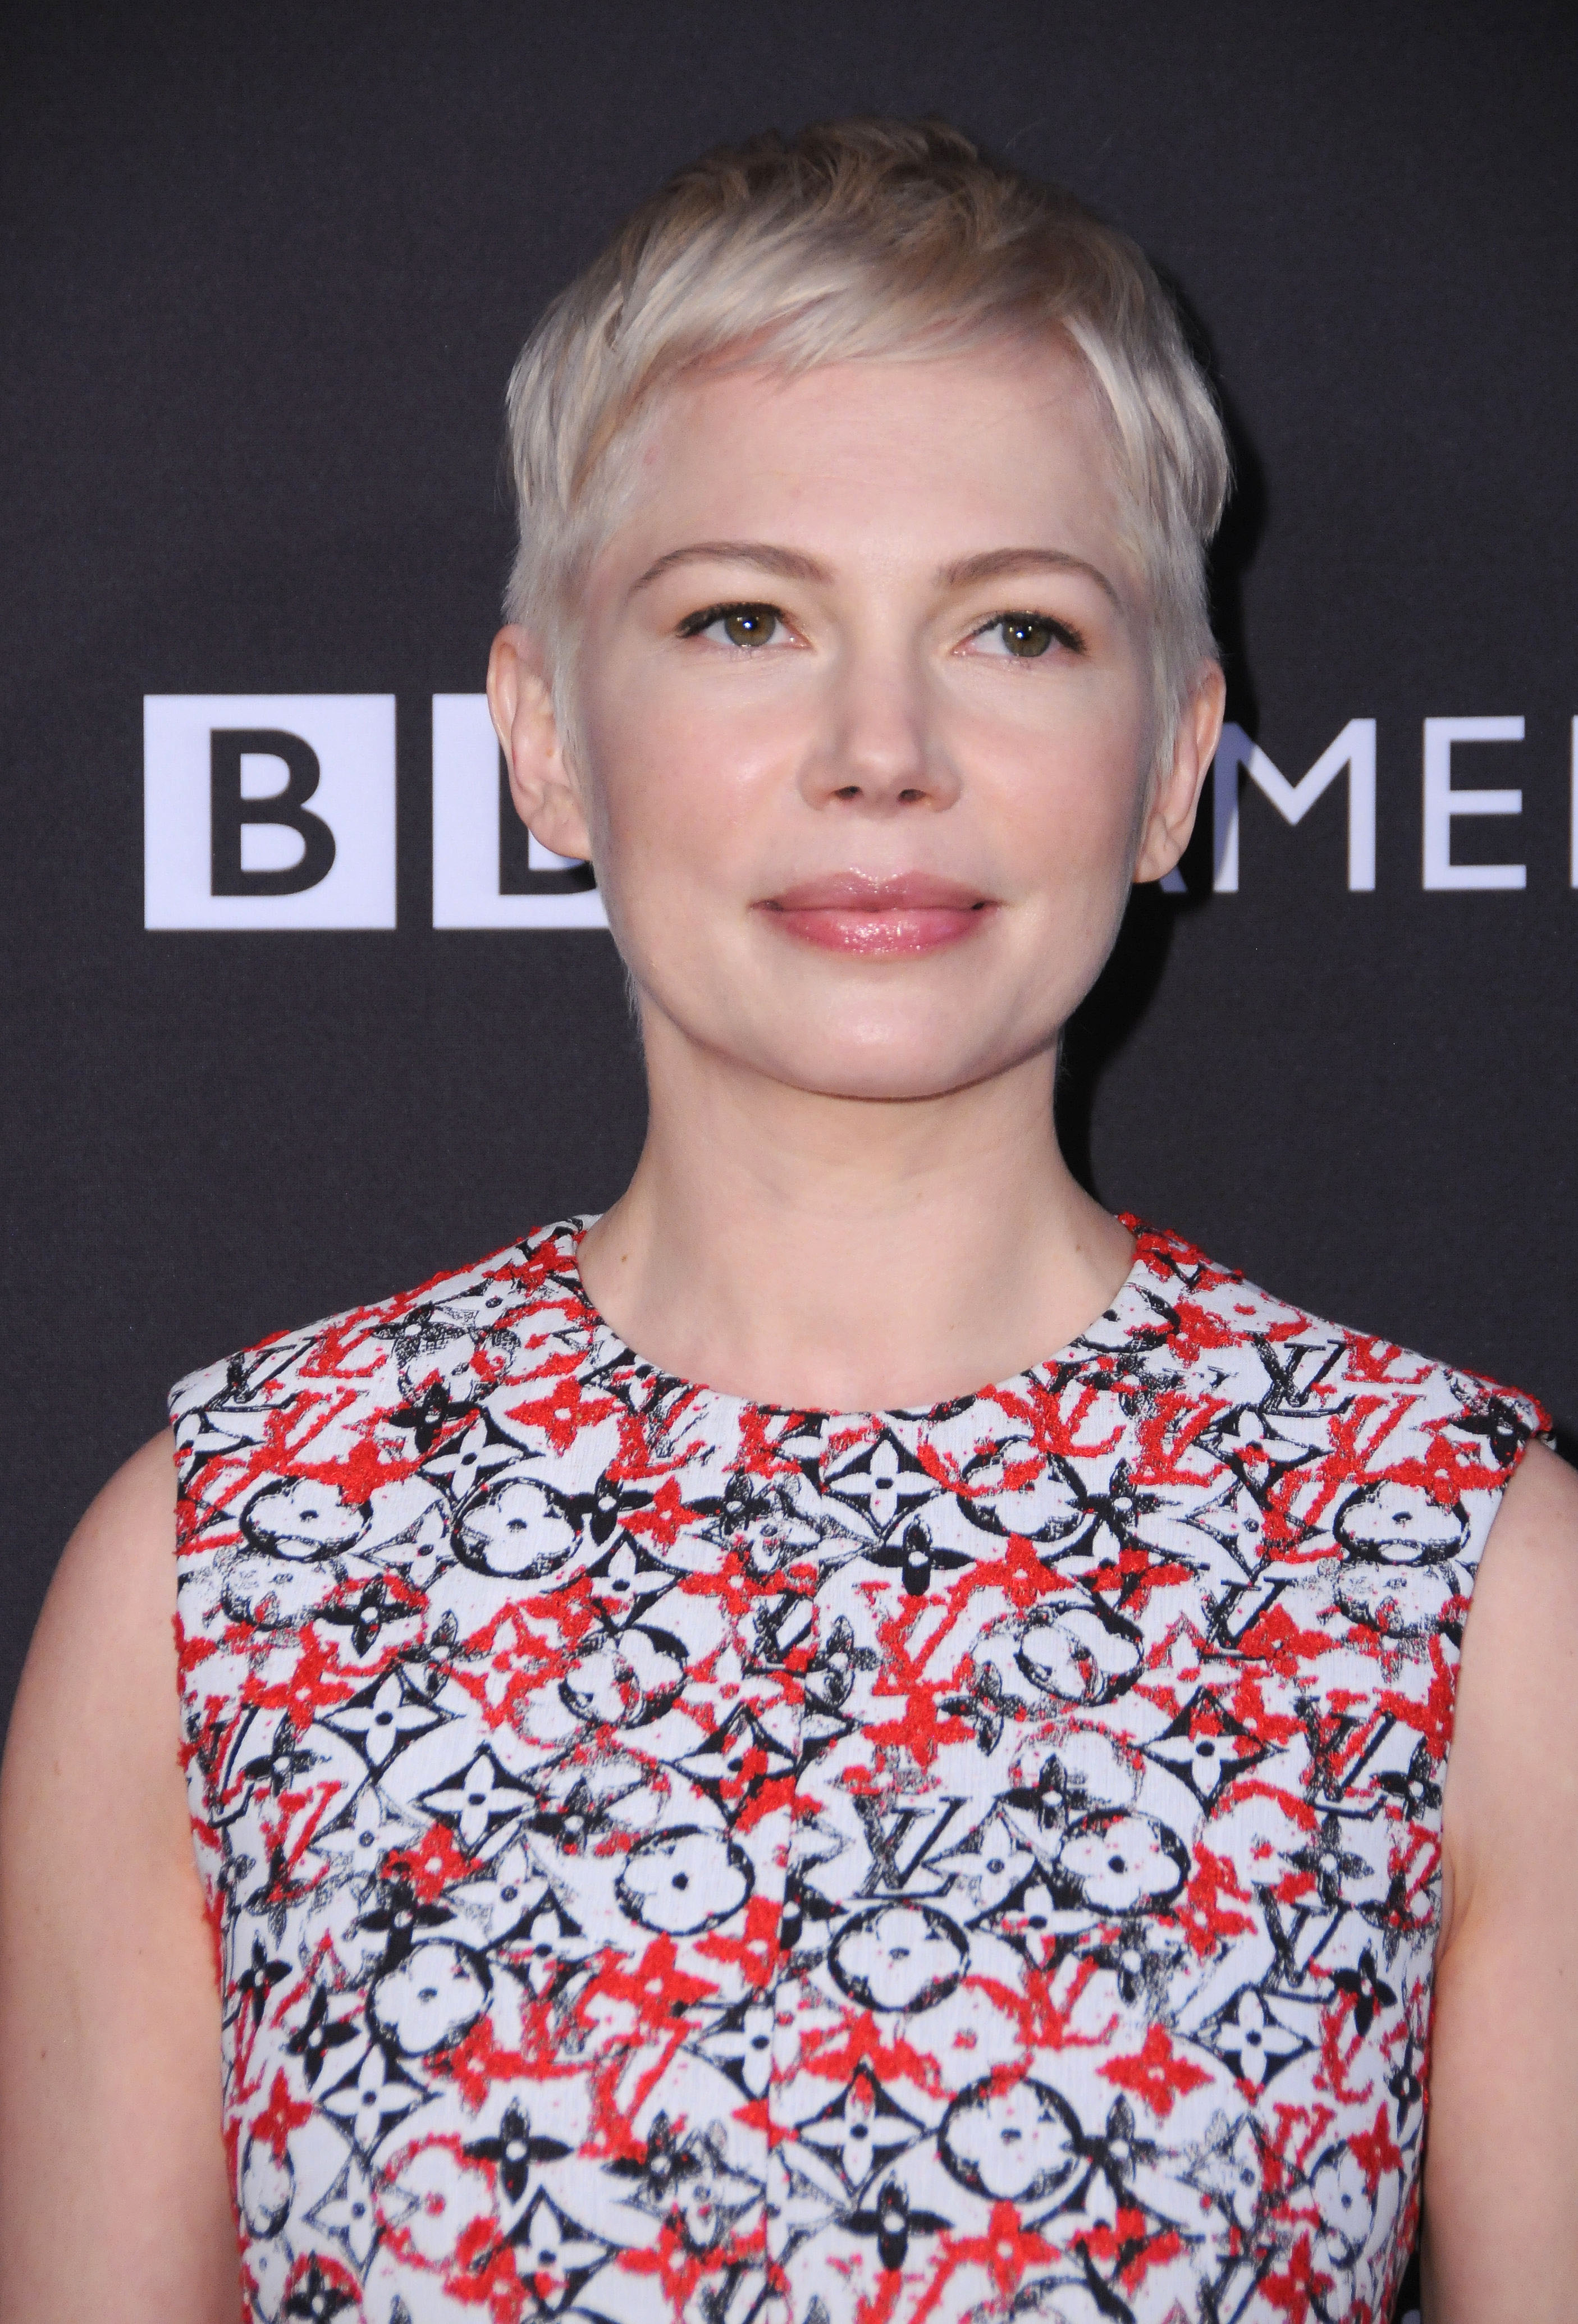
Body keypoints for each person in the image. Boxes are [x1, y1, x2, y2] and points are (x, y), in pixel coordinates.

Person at [1, 117, 1573, 2324]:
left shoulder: (1460, 1583)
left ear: (1172, 760)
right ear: (546, 737)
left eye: (1015, 628)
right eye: (745, 618)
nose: (880, 747)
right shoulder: (223, 1568)